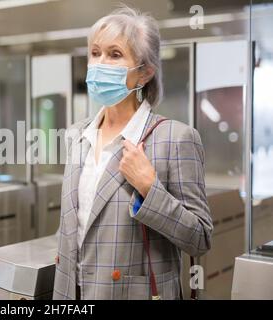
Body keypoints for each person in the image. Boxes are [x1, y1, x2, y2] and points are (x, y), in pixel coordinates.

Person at [53, 4, 213, 300]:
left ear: (144, 73)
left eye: (115, 54)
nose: (100, 63)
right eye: (95, 52)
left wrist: (150, 188)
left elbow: (200, 238)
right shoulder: (77, 135)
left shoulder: (175, 139)